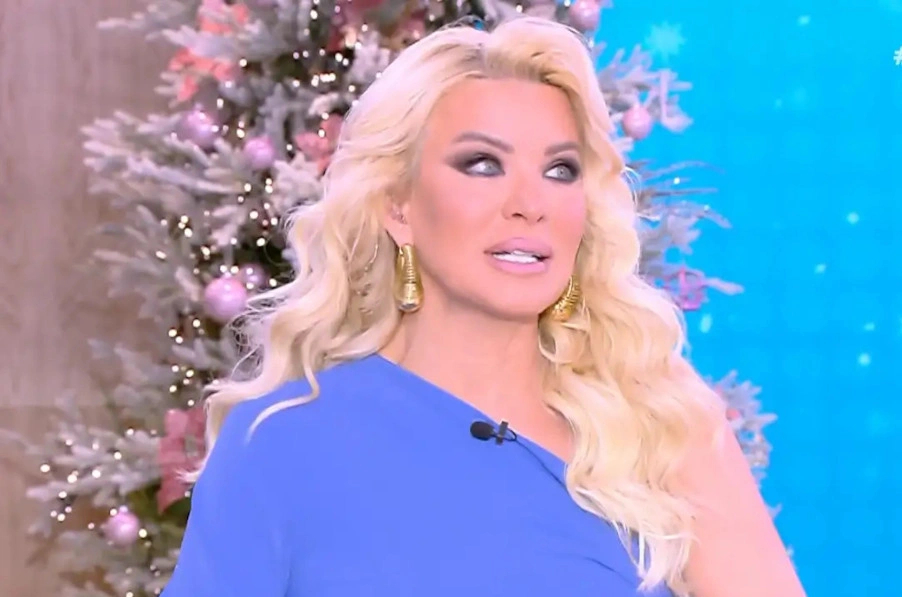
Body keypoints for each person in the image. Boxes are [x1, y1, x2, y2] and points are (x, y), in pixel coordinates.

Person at [162, 16, 806, 597]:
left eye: (560, 170)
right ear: (397, 207)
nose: (531, 204)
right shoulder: (282, 441)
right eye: (482, 164)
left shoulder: (660, 425)